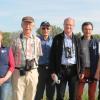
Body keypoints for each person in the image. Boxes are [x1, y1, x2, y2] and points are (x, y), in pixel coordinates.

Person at [50, 17, 81, 100]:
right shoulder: (57, 38)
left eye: (70, 25)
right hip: (61, 70)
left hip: (74, 70)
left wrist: (81, 70)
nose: (68, 26)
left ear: (73, 26)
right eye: (67, 24)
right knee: (60, 95)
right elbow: (52, 56)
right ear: (63, 25)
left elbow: (81, 56)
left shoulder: (77, 39)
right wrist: (53, 71)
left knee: (73, 95)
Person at [12, 16, 42, 100]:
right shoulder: (15, 39)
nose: (27, 26)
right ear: (22, 25)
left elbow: (38, 56)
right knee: (17, 96)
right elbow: (11, 56)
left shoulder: (37, 40)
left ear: (33, 26)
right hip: (18, 72)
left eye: (29, 24)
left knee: (31, 96)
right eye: (25, 24)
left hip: (32, 72)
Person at [76, 22, 100, 100]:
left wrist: (97, 72)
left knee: (92, 93)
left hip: (93, 70)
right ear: (82, 30)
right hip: (82, 70)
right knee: (78, 93)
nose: (88, 31)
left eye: (89, 29)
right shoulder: (78, 42)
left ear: (92, 30)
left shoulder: (97, 42)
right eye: (86, 29)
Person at [35, 21, 55, 100]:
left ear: (50, 29)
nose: (45, 30)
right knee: (38, 93)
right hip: (40, 69)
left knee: (50, 94)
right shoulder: (36, 40)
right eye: (43, 28)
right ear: (40, 29)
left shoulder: (54, 40)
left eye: (47, 28)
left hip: (51, 69)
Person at [0, 31, 15, 100]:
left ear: (1, 37)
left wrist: (4, 79)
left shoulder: (7, 49)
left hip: (5, 82)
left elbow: (12, 66)